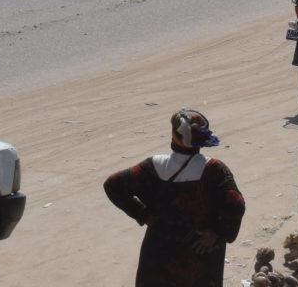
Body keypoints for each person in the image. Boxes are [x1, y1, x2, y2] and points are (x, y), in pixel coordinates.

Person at [104, 109, 245, 287]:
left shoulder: (153, 165)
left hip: (158, 251)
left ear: (174, 136)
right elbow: (236, 203)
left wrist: (143, 214)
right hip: (198, 253)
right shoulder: (214, 170)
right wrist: (217, 233)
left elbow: (113, 185)